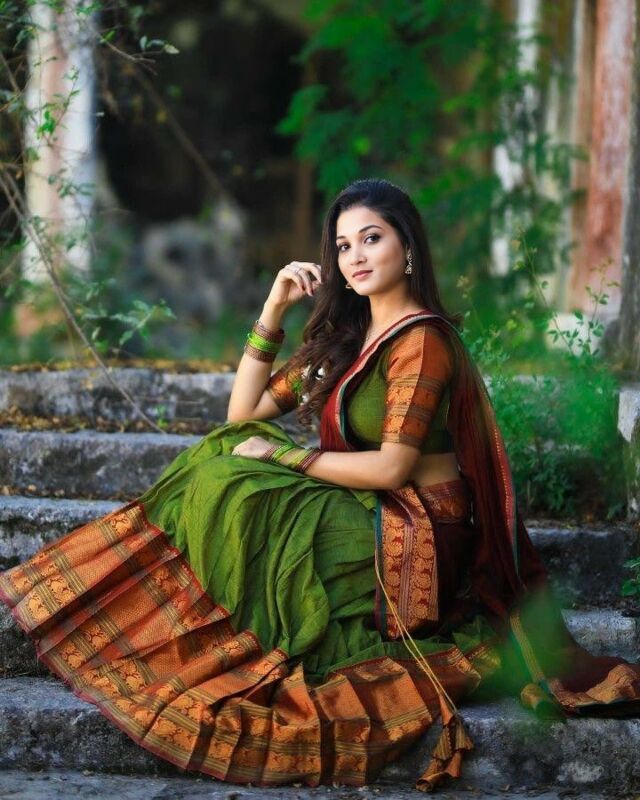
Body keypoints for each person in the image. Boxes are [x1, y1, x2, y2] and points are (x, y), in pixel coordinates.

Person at [1, 178, 639, 793]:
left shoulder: (422, 341)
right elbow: (241, 418)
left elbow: (391, 469)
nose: (355, 256)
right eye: (343, 245)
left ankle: (211, 635)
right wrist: (273, 306)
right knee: (223, 458)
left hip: (416, 530)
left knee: (246, 483)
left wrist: (288, 460)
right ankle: (179, 627)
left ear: (407, 247)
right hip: (367, 503)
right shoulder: (350, 340)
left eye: (372, 238)